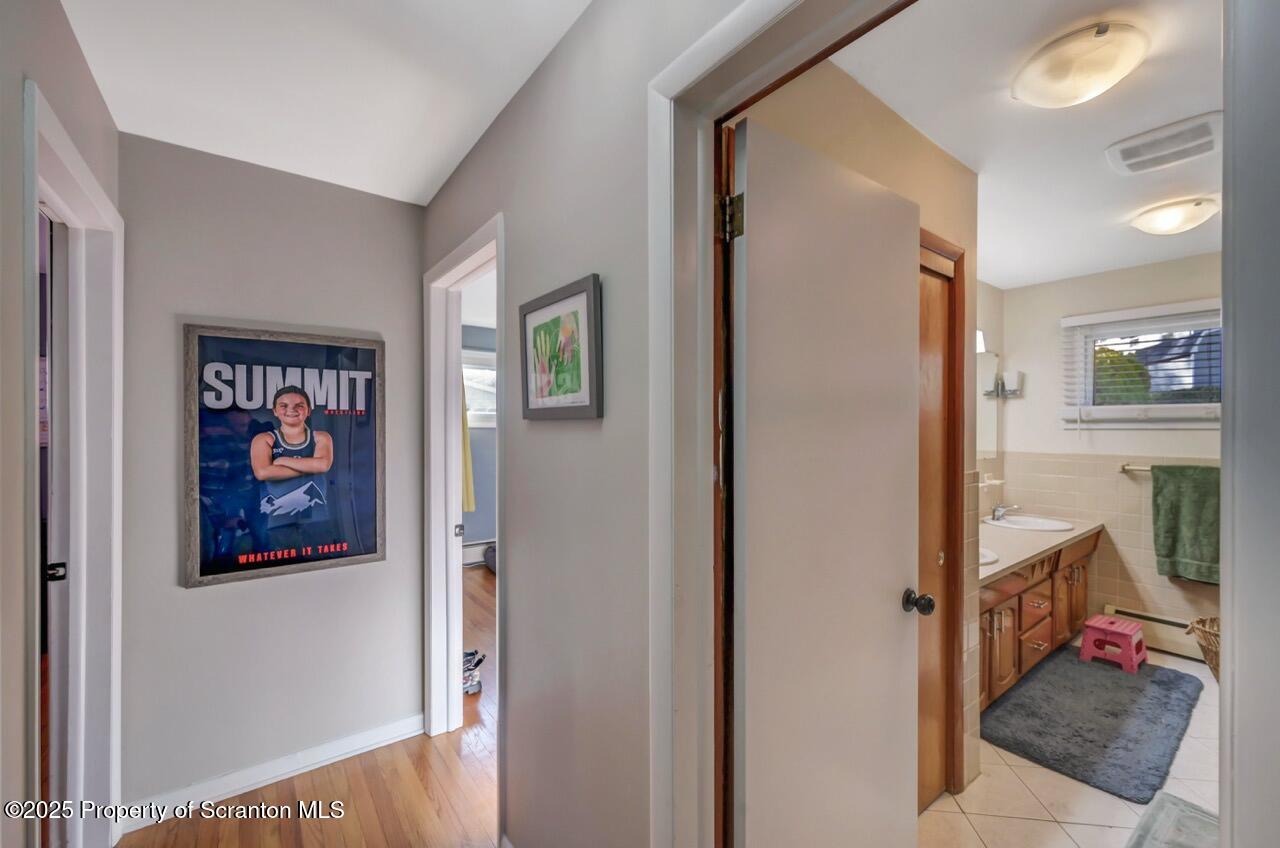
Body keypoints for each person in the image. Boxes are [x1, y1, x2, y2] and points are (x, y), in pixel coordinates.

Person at [250, 386, 333, 532]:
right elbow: (263, 472)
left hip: (317, 515)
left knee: (322, 553)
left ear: (308, 410)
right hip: (278, 518)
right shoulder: (264, 439)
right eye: (283, 406)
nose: (291, 409)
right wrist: (309, 466)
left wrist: (283, 461)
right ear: (275, 411)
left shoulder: (321, 437)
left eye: (299, 405)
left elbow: (323, 465)